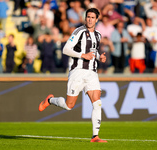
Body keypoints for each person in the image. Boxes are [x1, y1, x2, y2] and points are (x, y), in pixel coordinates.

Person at [38, 8, 107, 143]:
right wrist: (83, 55)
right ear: (85, 17)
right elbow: (65, 49)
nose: (90, 19)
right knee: (69, 106)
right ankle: (50, 100)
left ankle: (95, 136)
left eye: (93, 17)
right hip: (78, 72)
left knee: (97, 103)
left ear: (97, 20)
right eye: (88, 17)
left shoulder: (98, 35)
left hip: (92, 73)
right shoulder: (79, 31)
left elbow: (93, 52)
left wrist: (99, 57)